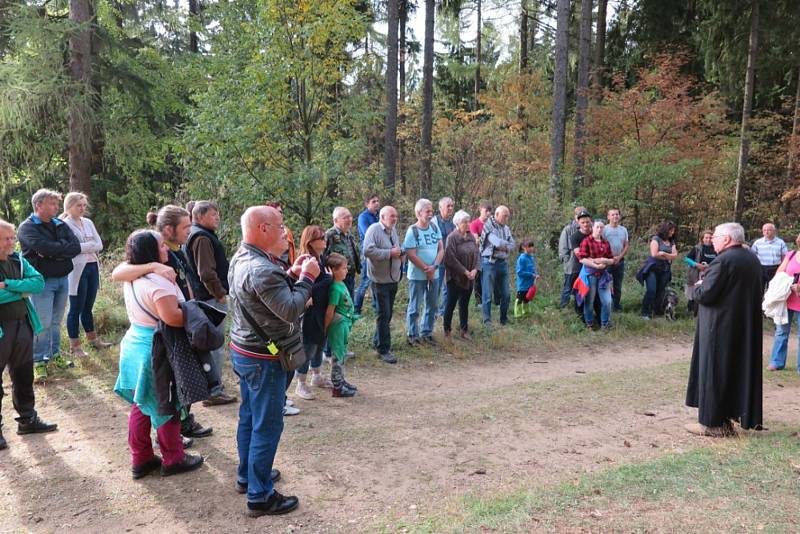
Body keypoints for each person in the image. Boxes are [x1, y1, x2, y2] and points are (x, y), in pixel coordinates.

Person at [228, 205, 319, 517]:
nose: (285, 232)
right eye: (280, 226)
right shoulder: (262, 268)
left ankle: (248, 475)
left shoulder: (243, 256)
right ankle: (260, 495)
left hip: (245, 351)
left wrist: (290, 274)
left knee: (250, 417)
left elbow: (263, 295)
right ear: (262, 228)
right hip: (262, 358)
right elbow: (291, 309)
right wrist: (307, 278)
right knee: (267, 424)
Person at [113, 206, 213, 440]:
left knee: (177, 385)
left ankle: (185, 422)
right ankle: (171, 443)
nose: (190, 231)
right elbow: (118, 273)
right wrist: (153, 266)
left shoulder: (175, 250)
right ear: (169, 229)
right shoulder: (149, 251)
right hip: (164, 332)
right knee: (163, 392)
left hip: (181, 321)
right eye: (186, 227)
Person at [685, 222, 763, 436]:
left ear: (727, 239)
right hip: (743, 327)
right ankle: (728, 417)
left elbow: (706, 295)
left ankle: (712, 424)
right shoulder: (751, 259)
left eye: (717, 237)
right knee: (735, 370)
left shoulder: (723, 261)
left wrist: (699, 287)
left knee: (714, 371)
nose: (713, 240)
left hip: (719, 327)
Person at [0, 219, 58, 451]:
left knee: (23, 374)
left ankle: (27, 419)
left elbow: (38, 283)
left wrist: (8, 285)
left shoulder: (17, 260)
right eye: (7, 238)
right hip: (2, 329)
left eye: (12, 237)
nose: (12, 241)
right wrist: (20, 291)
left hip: (23, 325)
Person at [18, 189, 81, 382]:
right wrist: (60, 249)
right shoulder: (27, 227)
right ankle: (38, 361)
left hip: (63, 278)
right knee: (42, 322)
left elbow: (76, 247)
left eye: (56, 203)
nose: (56, 207)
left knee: (55, 321)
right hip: (41, 282)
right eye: (52, 203)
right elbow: (43, 247)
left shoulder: (59, 223)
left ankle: (54, 355)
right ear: (39, 205)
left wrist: (54, 252)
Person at [184, 201, 237, 407]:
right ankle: (213, 390)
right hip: (210, 299)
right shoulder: (201, 237)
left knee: (213, 343)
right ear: (200, 216)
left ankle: (212, 387)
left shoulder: (201, 235)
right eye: (213, 214)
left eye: (217, 214)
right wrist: (220, 292)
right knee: (214, 344)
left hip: (207, 297)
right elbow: (205, 272)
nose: (217, 218)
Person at [61, 192, 111, 357]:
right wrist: (88, 246)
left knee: (88, 306)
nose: (82, 208)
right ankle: (75, 346)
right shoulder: (64, 224)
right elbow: (70, 249)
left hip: (92, 267)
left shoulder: (88, 222)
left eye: (84, 205)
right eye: (78, 205)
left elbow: (99, 245)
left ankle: (93, 339)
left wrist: (83, 246)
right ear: (69, 207)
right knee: (76, 308)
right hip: (76, 269)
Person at [294, 225, 334, 399]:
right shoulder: (307, 260)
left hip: (322, 308)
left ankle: (316, 375)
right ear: (311, 241)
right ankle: (300, 383)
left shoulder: (321, 258)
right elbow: (304, 285)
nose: (325, 240)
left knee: (320, 343)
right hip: (310, 311)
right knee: (308, 346)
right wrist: (328, 280)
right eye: (321, 237)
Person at [363, 206, 402, 363]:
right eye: (392, 216)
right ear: (382, 216)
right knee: (383, 314)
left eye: (396, 216)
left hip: (393, 279)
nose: (395, 218)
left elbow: (394, 249)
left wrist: (400, 253)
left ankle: (378, 341)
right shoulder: (373, 230)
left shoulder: (392, 230)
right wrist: (389, 254)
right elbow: (367, 251)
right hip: (379, 281)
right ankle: (383, 349)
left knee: (387, 313)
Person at [404, 199, 444, 345]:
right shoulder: (412, 231)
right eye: (427, 211)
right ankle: (412, 334)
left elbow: (441, 248)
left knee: (432, 304)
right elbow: (411, 253)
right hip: (417, 275)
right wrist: (426, 268)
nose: (430, 214)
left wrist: (434, 267)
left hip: (435, 273)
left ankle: (426, 332)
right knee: (415, 305)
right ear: (418, 213)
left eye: (431, 211)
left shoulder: (434, 227)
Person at [442, 210, 479, 339]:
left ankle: (464, 330)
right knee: (450, 304)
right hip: (455, 278)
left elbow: (477, 254)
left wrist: (475, 270)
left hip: (470, 278)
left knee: (464, 305)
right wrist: (464, 271)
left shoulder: (471, 237)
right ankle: (447, 330)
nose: (468, 224)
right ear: (458, 223)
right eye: (465, 222)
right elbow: (450, 258)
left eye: (469, 221)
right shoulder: (452, 237)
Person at [325, 253, 357, 397]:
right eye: (343, 268)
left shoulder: (341, 283)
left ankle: (342, 381)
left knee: (342, 354)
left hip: (344, 325)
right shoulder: (334, 288)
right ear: (333, 270)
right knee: (337, 356)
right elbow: (330, 311)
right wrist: (325, 328)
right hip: (337, 326)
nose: (346, 271)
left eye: (346, 268)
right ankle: (337, 387)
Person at [767, 233, 800, 371]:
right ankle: (777, 362)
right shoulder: (791, 254)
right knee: (781, 332)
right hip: (786, 299)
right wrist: (787, 283)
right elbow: (780, 272)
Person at [576, 221, 616, 329]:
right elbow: (582, 259)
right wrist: (595, 264)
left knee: (607, 301)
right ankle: (589, 324)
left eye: (601, 227)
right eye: (597, 227)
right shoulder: (586, 241)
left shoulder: (606, 243)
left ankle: (605, 324)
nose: (599, 229)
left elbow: (612, 259)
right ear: (593, 227)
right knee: (589, 301)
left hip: (603, 275)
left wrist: (604, 260)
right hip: (590, 275)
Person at [480, 206, 515, 325]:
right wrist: (505, 245)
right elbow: (496, 242)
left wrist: (503, 246)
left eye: (508, 216)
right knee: (487, 293)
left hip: (502, 264)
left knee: (506, 294)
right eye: (505, 215)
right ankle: (487, 320)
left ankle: (503, 319)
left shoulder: (506, 228)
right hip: (490, 263)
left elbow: (513, 245)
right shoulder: (488, 226)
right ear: (497, 214)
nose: (507, 218)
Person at [640, 221, 678, 320]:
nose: (672, 233)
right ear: (665, 229)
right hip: (652, 268)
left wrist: (664, 254)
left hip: (665, 269)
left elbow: (674, 256)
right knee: (651, 290)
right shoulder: (656, 239)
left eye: (673, 231)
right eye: (671, 230)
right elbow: (654, 254)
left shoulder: (671, 242)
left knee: (660, 291)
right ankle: (645, 311)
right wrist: (667, 256)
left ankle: (655, 310)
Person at [557, 207, 589, 311]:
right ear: (575, 217)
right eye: (579, 214)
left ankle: (579, 307)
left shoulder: (588, 228)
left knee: (581, 285)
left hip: (584, 263)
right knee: (568, 287)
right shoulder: (568, 229)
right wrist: (566, 260)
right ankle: (563, 308)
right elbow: (563, 246)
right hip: (572, 263)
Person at [354, 194, 380, 317]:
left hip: (380, 251)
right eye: (373, 201)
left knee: (377, 280)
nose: (376, 203)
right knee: (365, 280)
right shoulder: (363, 217)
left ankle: (377, 306)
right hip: (368, 252)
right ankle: (356, 309)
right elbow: (369, 234)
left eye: (377, 201)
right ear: (367, 204)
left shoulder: (380, 215)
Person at [325, 207, 359, 298]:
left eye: (350, 216)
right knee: (341, 305)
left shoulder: (349, 234)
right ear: (336, 220)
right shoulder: (330, 235)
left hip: (350, 276)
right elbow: (323, 257)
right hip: (337, 278)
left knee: (350, 303)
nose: (349, 219)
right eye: (345, 218)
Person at [684, 230, 717, 315]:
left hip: (711, 273)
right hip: (698, 273)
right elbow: (687, 259)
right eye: (706, 237)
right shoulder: (697, 248)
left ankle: (704, 310)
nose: (708, 239)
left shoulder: (716, 248)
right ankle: (691, 310)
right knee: (695, 290)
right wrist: (696, 264)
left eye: (710, 238)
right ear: (702, 239)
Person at [433, 197, 456, 316]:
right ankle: (433, 311)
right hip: (437, 260)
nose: (451, 208)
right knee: (435, 287)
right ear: (440, 207)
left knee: (448, 287)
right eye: (448, 206)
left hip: (450, 260)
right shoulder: (434, 222)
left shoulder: (453, 222)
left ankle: (443, 312)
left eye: (452, 206)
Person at [603, 208, 629, 312]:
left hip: (620, 261)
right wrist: (610, 258)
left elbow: (626, 245)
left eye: (617, 214)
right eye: (612, 215)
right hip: (607, 261)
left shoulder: (623, 230)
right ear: (608, 217)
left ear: (619, 216)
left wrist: (619, 257)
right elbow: (601, 244)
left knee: (618, 285)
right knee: (606, 285)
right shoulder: (604, 229)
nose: (615, 216)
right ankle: (607, 305)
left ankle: (617, 306)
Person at [750, 223, 788, 290]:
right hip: (761, 268)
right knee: (759, 289)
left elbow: (784, 256)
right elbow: (752, 255)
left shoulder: (780, 242)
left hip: (775, 268)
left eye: (769, 230)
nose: (766, 232)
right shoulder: (758, 242)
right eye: (764, 230)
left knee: (773, 290)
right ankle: (759, 300)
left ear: (774, 231)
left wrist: (782, 268)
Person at [469, 200, 492, 306]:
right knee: (478, 277)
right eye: (486, 210)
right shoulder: (474, 224)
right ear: (480, 210)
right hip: (477, 255)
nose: (488, 213)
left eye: (489, 211)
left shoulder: (492, 224)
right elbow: (476, 240)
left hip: (490, 255)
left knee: (488, 277)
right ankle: (479, 301)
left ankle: (490, 299)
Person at [514, 239, 539, 318]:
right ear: (523, 247)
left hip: (530, 284)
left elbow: (533, 269)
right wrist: (531, 275)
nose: (531, 248)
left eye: (532, 246)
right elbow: (519, 272)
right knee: (519, 299)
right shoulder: (521, 259)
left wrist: (536, 274)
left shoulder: (531, 258)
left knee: (527, 299)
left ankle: (526, 313)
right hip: (522, 284)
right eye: (529, 246)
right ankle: (517, 315)